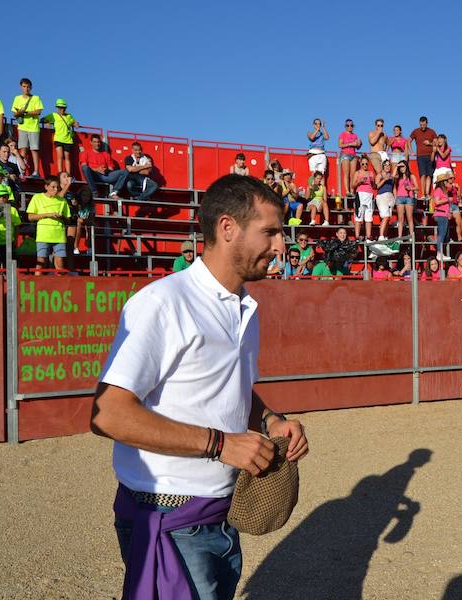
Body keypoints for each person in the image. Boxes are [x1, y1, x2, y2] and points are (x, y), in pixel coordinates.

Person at [90, 175, 308, 600]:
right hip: (169, 517)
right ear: (228, 228)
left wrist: (270, 419)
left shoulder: (245, 307)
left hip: (219, 512)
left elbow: (229, 390)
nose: (282, 246)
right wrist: (220, 444)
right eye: (270, 232)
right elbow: (107, 413)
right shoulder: (162, 302)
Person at [26, 177, 70, 273]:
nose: (55, 189)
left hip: (59, 235)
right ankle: (36, 285)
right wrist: (47, 215)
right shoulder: (37, 197)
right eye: (53, 187)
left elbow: (68, 218)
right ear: (46, 186)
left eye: (57, 187)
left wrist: (61, 217)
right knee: (41, 261)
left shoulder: (62, 201)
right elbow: (30, 217)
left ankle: (60, 286)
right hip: (43, 235)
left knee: (60, 262)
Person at [11, 78, 44, 177]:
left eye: (28, 87)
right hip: (22, 127)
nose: (26, 89)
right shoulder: (17, 98)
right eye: (24, 86)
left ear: (31, 87)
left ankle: (36, 172)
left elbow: (38, 111)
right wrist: (19, 113)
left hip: (33, 127)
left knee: (34, 149)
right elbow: (14, 114)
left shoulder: (36, 98)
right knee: (23, 149)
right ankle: (21, 171)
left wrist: (25, 112)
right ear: (21, 87)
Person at [80, 134, 128, 198]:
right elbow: (84, 166)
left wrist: (106, 170)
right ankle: (94, 192)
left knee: (125, 171)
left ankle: (114, 192)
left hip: (105, 175)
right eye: (95, 142)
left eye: (98, 142)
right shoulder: (85, 153)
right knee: (85, 168)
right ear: (91, 142)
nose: (97, 144)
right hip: (93, 175)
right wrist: (97, 169)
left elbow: (111, 168)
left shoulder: (106, 154)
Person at [42, 99, 79, 175]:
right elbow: (42, 119)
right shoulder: (53, 115)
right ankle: (60, 173)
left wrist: (76, 123)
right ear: (57, 108)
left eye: (63, 107)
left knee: (67, 157)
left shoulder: (69, 116)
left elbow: (73, 122)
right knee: (60, 156)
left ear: (65, 108)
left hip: (68, 139)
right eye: (59, 107)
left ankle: (68, 174)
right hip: (58, 139)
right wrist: (47, 122)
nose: (61, 109)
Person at [0, 183, 22, 265]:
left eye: (4, 196)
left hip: (9, 242)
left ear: (8, 197)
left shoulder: (13, 210)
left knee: (9, 265)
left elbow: (16, 226)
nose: (2, 199)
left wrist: (15, 241)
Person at [410, 116, 437, 199]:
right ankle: (423, 194)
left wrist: (429, 143)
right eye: (421, 124)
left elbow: (437, 143)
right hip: (420, 156)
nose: (422, 126)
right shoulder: (415, 131)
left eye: (424, 124)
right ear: (419, 123)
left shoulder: (432, 131)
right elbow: (408, 141)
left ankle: (427, 194)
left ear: (427, 123)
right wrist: (411, 152)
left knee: (429, 175)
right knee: (422, 175)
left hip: (430, 156)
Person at [432, 171, 453, 260]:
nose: (447, 182)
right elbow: (436, 202)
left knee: (444, 234)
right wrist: (447, 200)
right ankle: (439, 253)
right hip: (440, 214)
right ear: (442, 182)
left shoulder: (444, 191)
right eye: (445, 181)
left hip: (444, 214)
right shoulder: (438, 190)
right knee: (442, 234)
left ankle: (440, 252)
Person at [393, 160, 418, 238]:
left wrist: (410, 188)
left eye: (403, 166)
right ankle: (399, 237)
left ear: (406, 167)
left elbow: (417, 187)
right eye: (400, 167)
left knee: (409, 218)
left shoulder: (411, 176)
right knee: (400, 219)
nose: (401, 168)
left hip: (409, 198)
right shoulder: (398, 177)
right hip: (400, 198)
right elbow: (393, 176)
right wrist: (397, 166)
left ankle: (411, 236)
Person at [353, 156, 375, 241]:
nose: (365, 165)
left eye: (366, 163)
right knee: (359, 215)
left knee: (368, 216)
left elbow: (374, 186)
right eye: (363, 164)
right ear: (360, 164)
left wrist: (372, 181)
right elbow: (353, 185)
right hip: (360, 195)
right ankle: (357, 236)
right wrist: (360, 182)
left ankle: (368, 236)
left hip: (369, 195)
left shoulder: (371, 173)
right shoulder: (357, 173)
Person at [338, 119, 361, 198]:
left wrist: (359, 144)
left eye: (351, 125)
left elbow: (358, 148)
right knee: (346, 174)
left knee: (353, 175)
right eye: (348, 125)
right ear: (345, 126)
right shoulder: (343, 134)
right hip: (345, 155)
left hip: (353, 155)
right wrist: (351, 143)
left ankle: (352, 191)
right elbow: (340, 145)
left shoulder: (355, 135)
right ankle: (347, 191)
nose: (350, 127)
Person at [374, 159, 396, 240]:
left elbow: (394, 188)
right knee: (385, 217)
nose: (387, 166)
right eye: (385, 165)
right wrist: (384, 180)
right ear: (383, 166)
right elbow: (376, 187)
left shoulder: (391, 176)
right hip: (382, 196)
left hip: (390, 197)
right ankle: (381, 236)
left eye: (389, 165)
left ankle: (385, 236)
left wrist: (395, 198)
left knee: (388, 218)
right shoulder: (379, 175)